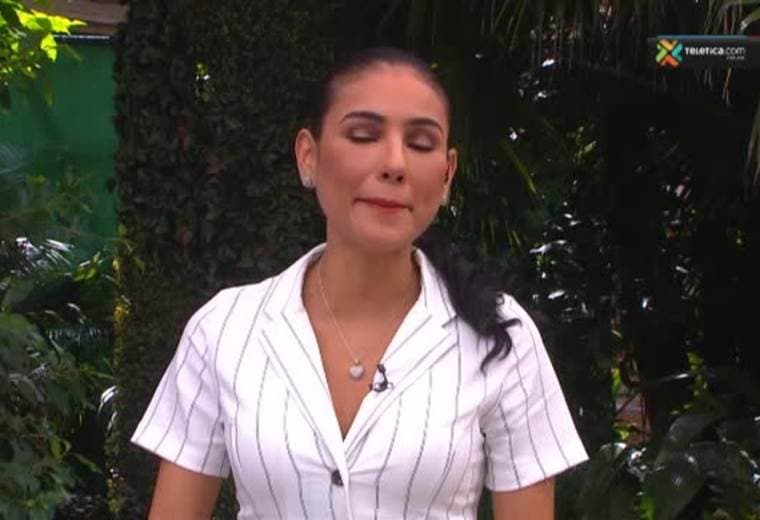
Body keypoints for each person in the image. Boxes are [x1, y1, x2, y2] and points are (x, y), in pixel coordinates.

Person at [130, 46, 588, 520]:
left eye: (421, 144)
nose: (395, 163)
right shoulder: (224, 331)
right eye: (364, 136)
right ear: (308, 155)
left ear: (447, 174)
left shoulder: (500, 335)